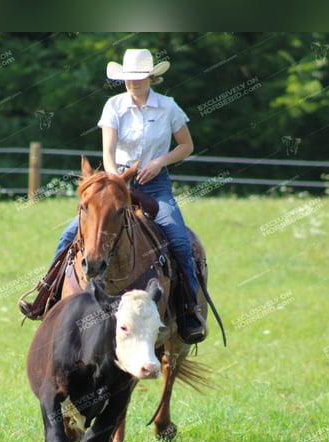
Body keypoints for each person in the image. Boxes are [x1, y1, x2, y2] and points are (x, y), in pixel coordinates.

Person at [20, 48, 205, 344]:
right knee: (69, 236)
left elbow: (186, 146)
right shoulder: (114, 106)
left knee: (181, 240)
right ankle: (48, 299)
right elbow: (107, 151)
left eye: (138, 77)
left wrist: (159, 162)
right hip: (115, 186)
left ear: (151, 77)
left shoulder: (168, 107)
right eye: (127, 78)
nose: (132, 82)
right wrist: (116, 182)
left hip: (155, 187)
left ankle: (188, 311)